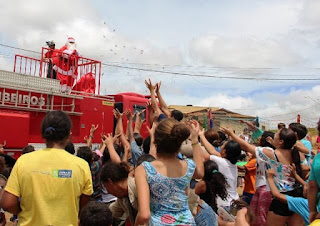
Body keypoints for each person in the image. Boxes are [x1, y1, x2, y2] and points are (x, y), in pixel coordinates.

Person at [2, 111, 93, 226]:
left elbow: (7, 203)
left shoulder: (23, 161)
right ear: (69, 135)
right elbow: (83, 207)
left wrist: (25, 211)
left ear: (44, 134)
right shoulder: (81, 166)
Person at [221, 127, 301, 226]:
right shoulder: (294, 153)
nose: (274, 136)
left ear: (281, 141)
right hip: (296, 194)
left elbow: (246, 146)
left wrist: (231, 134)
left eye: (276, 134)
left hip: (281, 198)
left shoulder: (272, 154)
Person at [135, 119, 204, 225]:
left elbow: (144, 215)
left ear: (156, 141)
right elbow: (200, 172)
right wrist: (195, 139)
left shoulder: (144, 169)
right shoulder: (188, 166)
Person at [200, 130, 244, 208]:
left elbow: (205, 154)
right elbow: (212, 151)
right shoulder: (232, 164)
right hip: (234, 200)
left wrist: (196, 140)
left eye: (222, 146)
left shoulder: (221, 162)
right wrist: (202, 135)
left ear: (224, 151)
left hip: (224, 203)